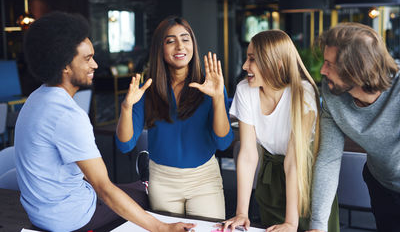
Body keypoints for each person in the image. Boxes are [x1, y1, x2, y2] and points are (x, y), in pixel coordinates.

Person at [14, 12, 195, 232]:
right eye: (87, 58)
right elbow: (104, 189)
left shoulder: (36, 98)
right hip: (72, 219)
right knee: (146, 194)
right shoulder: (68, 115)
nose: (96, 65)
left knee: (128, 188)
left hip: (41, 213)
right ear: (64, 65)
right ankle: (147, 184)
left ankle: (144, 182)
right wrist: (163, 228)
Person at [116, 16, 234, 219]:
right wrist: (127, 107)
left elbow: (223, 142)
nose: (180, 46)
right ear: (159, 48)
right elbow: (125, 145)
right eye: (170, 41)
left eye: (185, 39)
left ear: (193, 45)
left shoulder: (211, 84)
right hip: (162, 180)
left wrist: (217, 99)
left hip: (203, 179)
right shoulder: (147, 88)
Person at [224, 30, 339, 232]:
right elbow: (249, 154)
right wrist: (242, 213)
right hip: (270, 180)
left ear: (276, 62)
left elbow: (294, 160)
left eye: (252, 59)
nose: (244, 66)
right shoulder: (244, 90)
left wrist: (291, 223)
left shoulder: (303, 93)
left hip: (306, 180)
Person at [308, 22, 400, 232]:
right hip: (381, 184)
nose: (323, 70)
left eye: (330, 64)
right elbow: (328, 159)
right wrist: (318, 226)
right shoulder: (333, 92)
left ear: (357, 69)